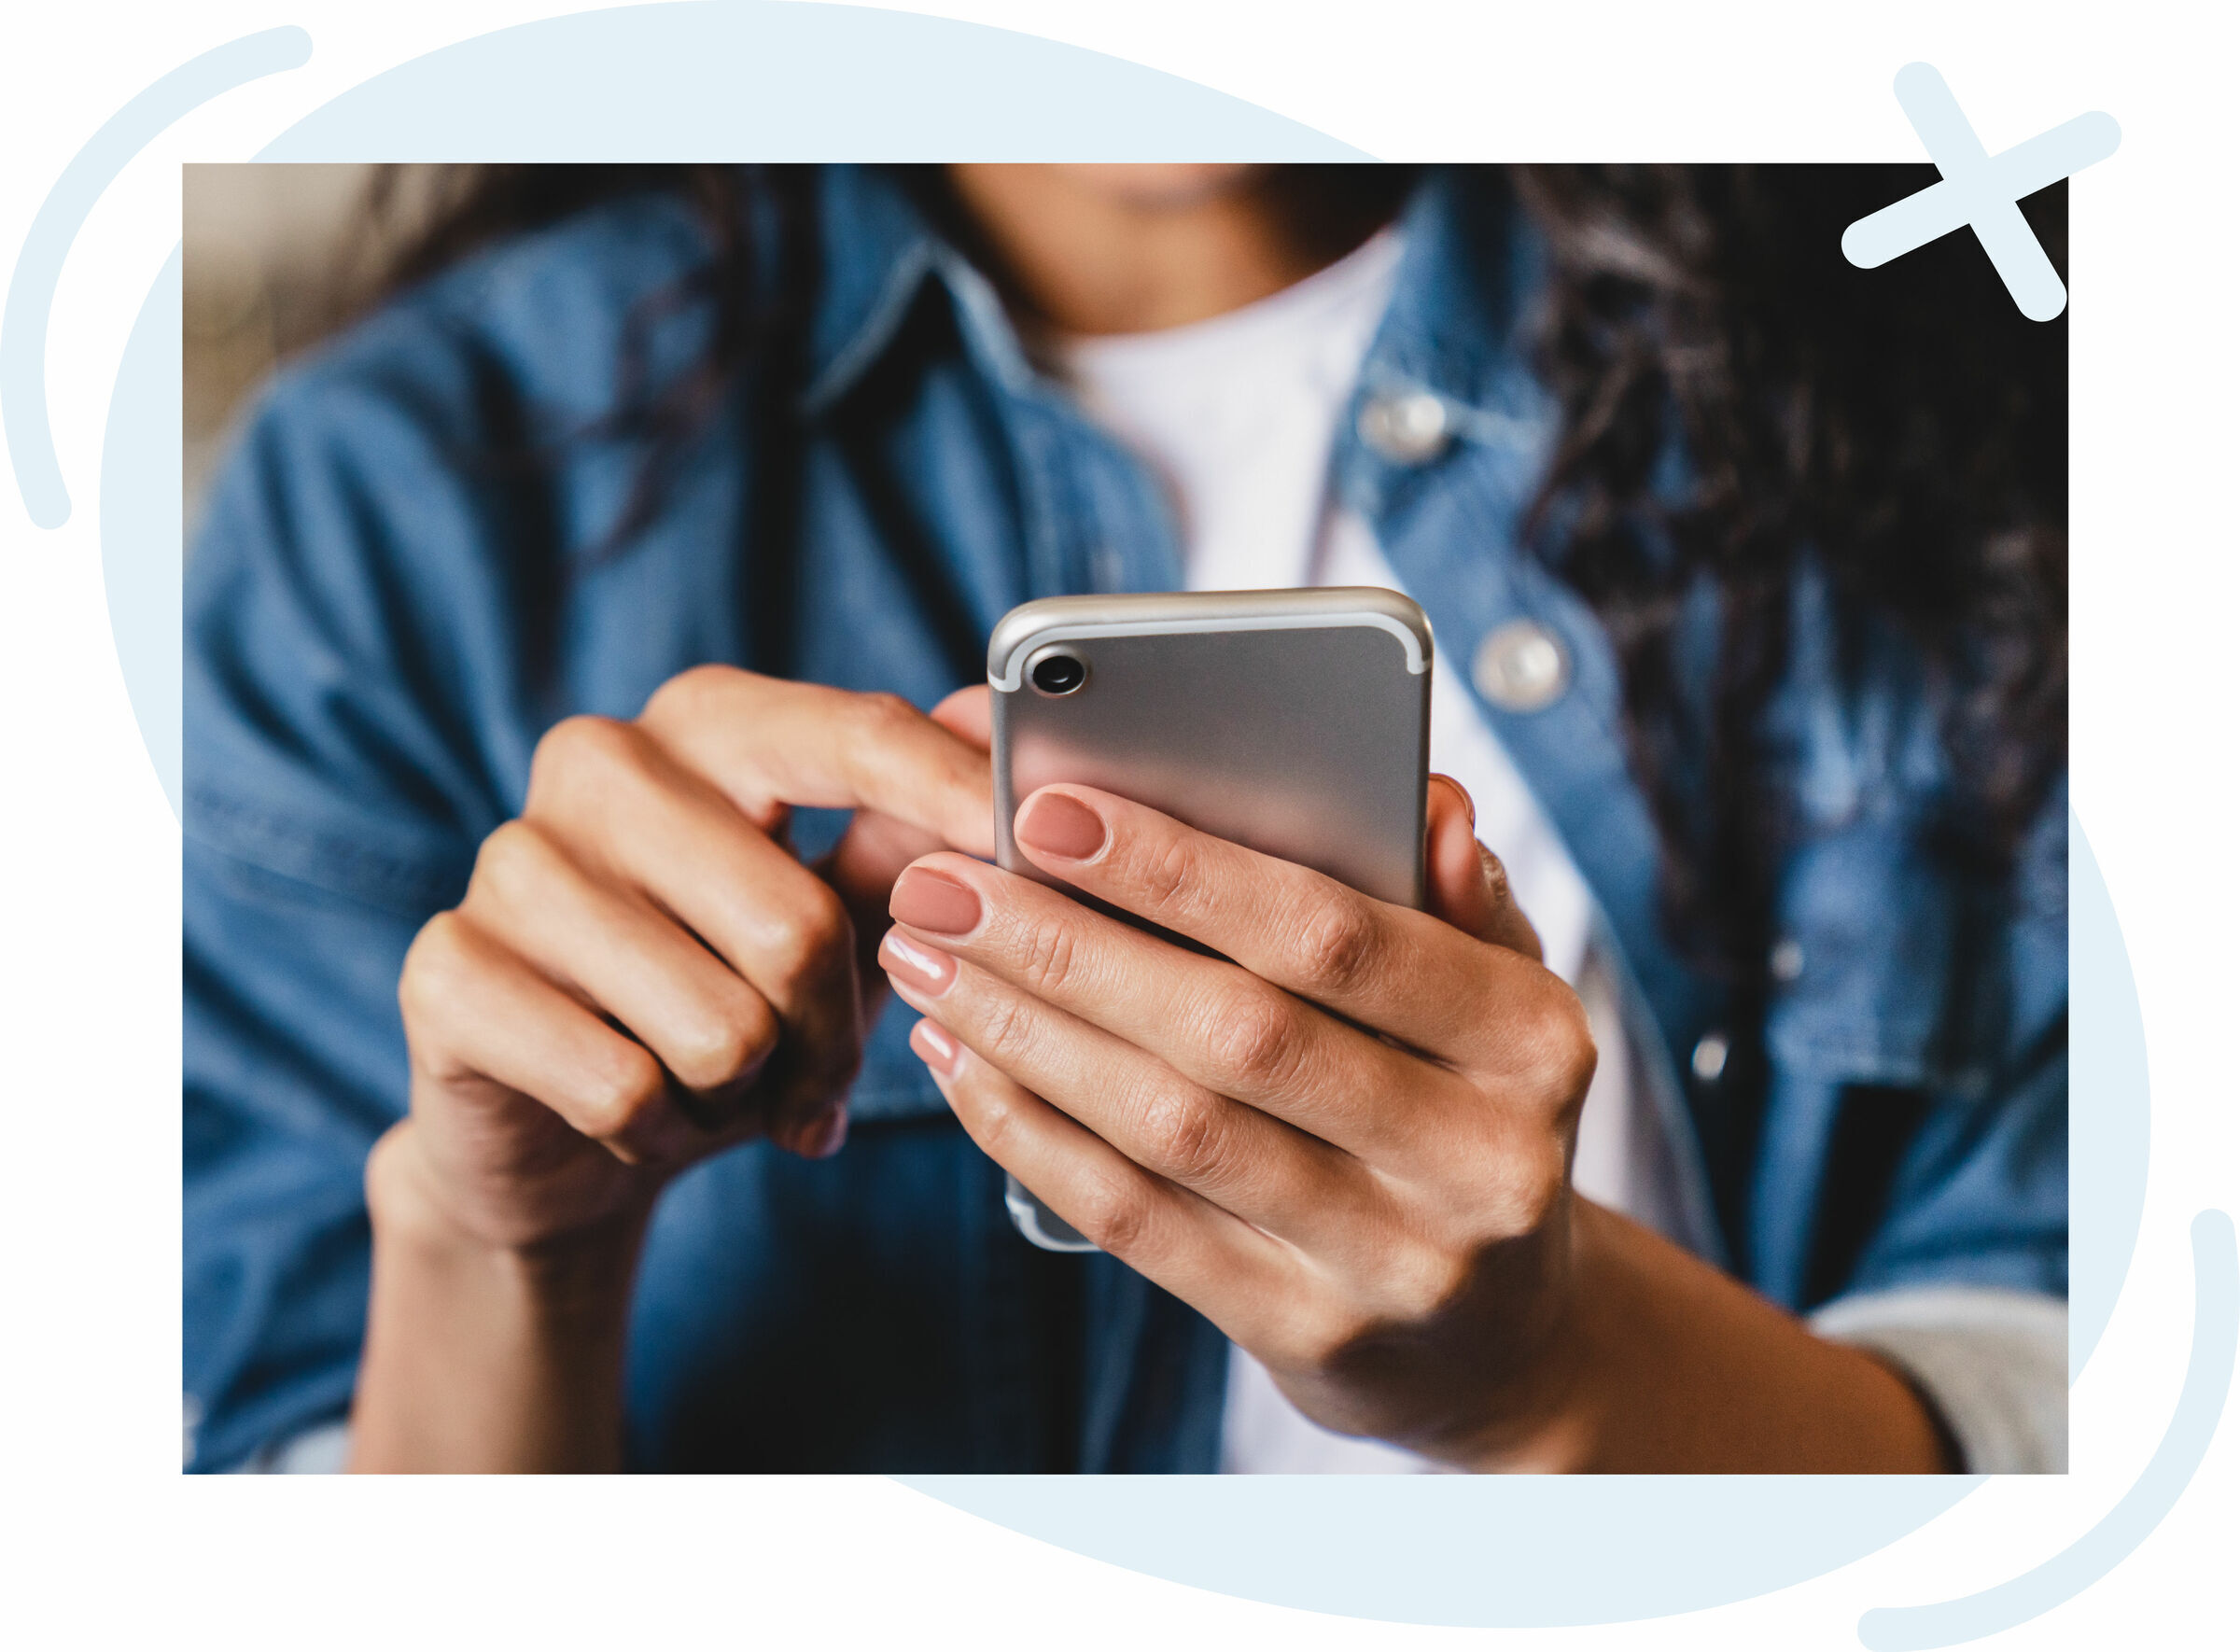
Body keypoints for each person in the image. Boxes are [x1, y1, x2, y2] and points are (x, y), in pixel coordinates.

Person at [184, 163, 2067, 1474]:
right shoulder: (402, 502)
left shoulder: (1964, 382)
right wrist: (499, 1241)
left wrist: (1546, 1377)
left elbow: (2088, 1426)